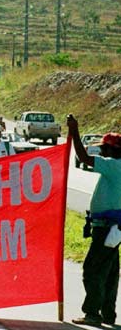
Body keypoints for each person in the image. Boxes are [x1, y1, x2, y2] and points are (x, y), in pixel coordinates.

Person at [68, 115, 121, 327]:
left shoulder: (113, 165)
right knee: (109, 272)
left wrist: (74, 132)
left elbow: (82, 157)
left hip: (107, 228)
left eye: (104, 148)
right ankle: (108, 313)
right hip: (114, 229)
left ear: (111, 150)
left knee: (92, 269)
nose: (102, 152)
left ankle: (92, 313)